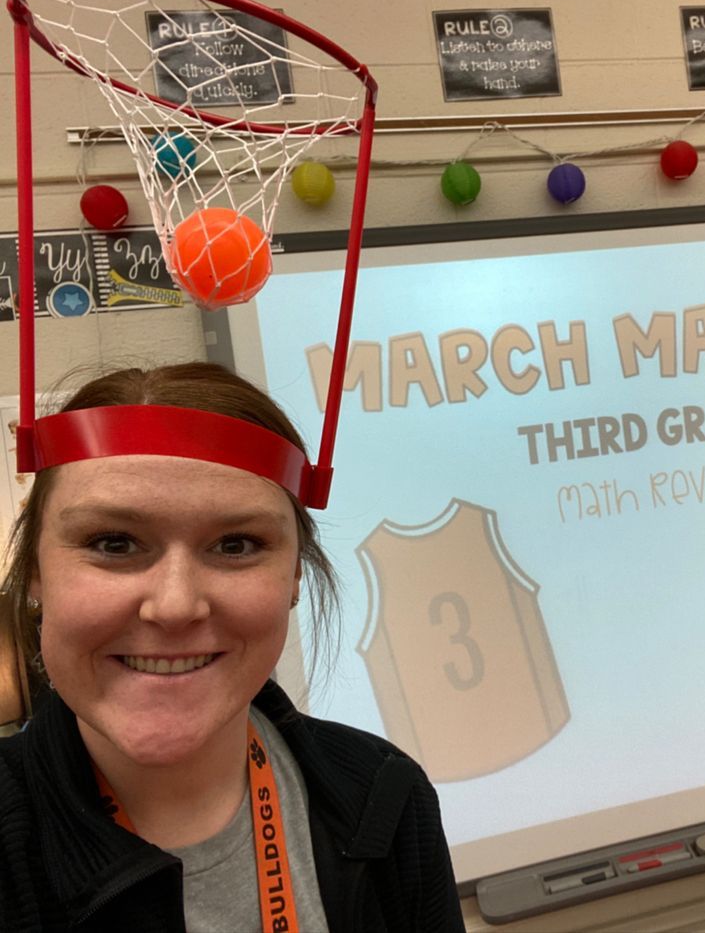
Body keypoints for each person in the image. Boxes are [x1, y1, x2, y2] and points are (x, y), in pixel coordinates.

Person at [0, 362, 464, 933]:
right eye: (113, 543)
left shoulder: (386, 795)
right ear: (36, 573)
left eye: (236, 544)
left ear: (295, 576)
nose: (174, 606)